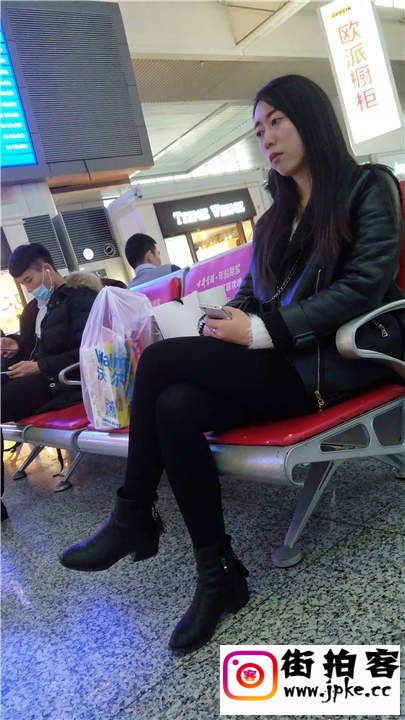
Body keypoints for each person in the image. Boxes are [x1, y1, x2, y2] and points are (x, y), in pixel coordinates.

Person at [59, 75, 404, 654]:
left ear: (310, 117)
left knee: (160, 363)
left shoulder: (367, 186)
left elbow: (363, 286)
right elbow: (250, 295)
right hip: (276, 363)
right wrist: (220, 320)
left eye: (276, 121)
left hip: (330, 364)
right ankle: (217, 575)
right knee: (174, 405)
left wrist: (263, 330)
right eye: (259, 129)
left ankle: (133, 516)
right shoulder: (275, 219)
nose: (266, 137)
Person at [1, 244, 100, 422]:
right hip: (43, 378)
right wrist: (15, 345)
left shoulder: (79, 298)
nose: (28, 289)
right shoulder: (34, 310)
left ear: (47, 269)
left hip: (61, 383)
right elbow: (34, 348)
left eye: (28, 280)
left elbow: (90, 351)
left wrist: (40, 366)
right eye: (23, 283)